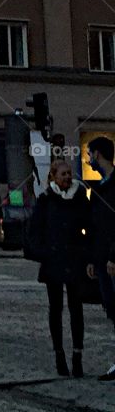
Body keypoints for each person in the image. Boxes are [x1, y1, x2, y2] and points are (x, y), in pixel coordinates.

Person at [27, 158, 91, 377]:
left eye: (68, 173)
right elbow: (35, 230)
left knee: (76, 308)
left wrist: (87, 254)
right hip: (53, 261)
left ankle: (77, 354)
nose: (67, 177)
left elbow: (89, 228)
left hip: (75, 260)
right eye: (63, 174)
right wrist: (43, 252)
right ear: (53, 176)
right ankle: (59, 354)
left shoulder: (80, 198)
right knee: (55, 309)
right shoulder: (45, 201)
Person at [86, 136, 115, 381]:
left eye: (89, 154)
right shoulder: (98, 189)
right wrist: (93, 260)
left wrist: (113, 256)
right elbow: (95, 227)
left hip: (112, 258)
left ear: (97, 155)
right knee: (112, 309)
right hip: (102, 258)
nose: (87, 159)